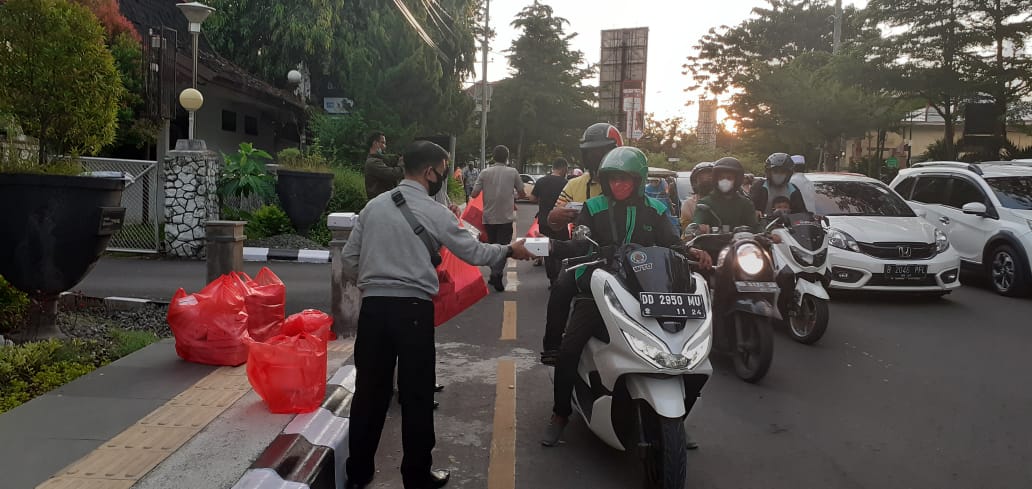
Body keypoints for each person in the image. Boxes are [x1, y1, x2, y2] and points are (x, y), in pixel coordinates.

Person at [342, 141, 534, 489]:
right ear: (430, 171)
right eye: (443, 170)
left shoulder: (372, 208)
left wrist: (376, 281)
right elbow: (473, 250)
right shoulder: (435, 212)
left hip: (373, 310)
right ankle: (416, 476)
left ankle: (358, 474)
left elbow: (349, 260)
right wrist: (509, 249)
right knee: (416, 396)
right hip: (413, 312)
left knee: (369, 393)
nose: (443, 177)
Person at [540, 147, 712, 447]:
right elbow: (579, 243)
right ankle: (560, 414)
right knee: (569, 350)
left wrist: (691, 251)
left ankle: (676, 418)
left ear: (638, 180)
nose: (619, 185)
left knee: (688, 353)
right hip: (600, 289)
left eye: (626, 179)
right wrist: (555, 247)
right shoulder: (593, 208)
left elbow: (672, 244)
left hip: (648, 292)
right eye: (613, 179)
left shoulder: (657, 210)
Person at [540, 122, 623, 365]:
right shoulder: (574, 185)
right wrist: (559, 216)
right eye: (592, 153)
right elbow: (552, 220)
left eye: (602, 152)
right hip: (584, 256)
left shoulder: (630, 183)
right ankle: (553, 345)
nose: (596, 158)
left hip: (625, 257)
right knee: (561, 286)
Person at [471, 145, 526, 291]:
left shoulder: (484, 172)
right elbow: (522, 194)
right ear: (507, 157)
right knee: (503, 248)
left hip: (488, 218)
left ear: (493, 157)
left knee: (492, 247)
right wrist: (510, 195)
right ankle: (497, 275)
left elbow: (474, 194)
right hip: (506, 218)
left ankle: (494, 275)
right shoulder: (513, 172)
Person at [529, 157, 570, 286]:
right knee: (561, 249)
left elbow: (532, 198)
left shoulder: (541, 181)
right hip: (560, 222)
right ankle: (560, 277)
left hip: (543, 221)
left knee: (546, 252)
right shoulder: (566, 183)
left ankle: (552, 279)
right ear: (563, 168)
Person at [692, 157, 758, 234]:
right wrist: (700, 228)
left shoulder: (745, 203)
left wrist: (768, 234)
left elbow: (755, 226)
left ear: (737, 180)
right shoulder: (705, 203)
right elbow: (696, 224)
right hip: (712, 244)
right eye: (721, 178)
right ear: (716, 179)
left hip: (739, 244)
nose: (725, 181)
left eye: (729, 178)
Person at [749, 152, 807, 217]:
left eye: (782, 172)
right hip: (763, 225)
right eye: (775, 171)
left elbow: (802, 213)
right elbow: (749, 206)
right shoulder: (759, 186)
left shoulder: (793, 189)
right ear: (769, 172)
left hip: (787, 226)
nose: (779, 175)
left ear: (788, 173)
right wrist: (754, 211)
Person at [364, 131, 404, 199]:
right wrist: (402, 162)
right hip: (380, 204)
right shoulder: (373, 162)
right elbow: (394, 174)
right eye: (383, 143)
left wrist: (399, 156)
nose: (385, 146)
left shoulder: (379, 159)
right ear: (375, 143)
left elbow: (390, 159)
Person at [679, 162, 714, 230]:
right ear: (694, 182)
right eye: (702, 178)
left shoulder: (725, 201)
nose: (706, 181)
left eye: (710, 178)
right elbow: (687, 233)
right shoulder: (689, 204)